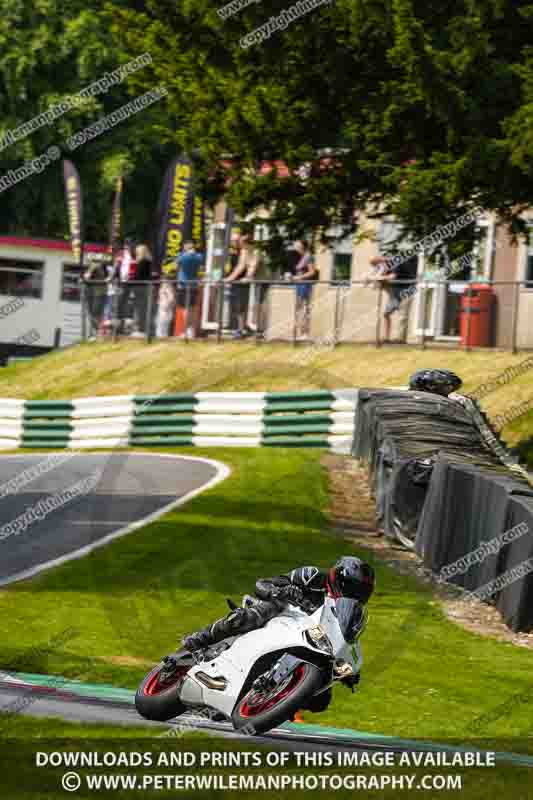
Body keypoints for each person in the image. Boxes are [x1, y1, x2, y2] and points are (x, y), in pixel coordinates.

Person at [183, 555, 375, 670]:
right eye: (352, 589)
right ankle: (200, 638)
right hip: (281, 613)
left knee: (322, 701)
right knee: (252, 615)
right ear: (339, 579)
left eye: (360, 593)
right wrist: (280, 591)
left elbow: (345, 640)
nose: (354, 596)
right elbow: (264, 583)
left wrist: (350, 670)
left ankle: (275, 698)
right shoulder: (313, 576)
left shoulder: (343, 611)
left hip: (305, 637)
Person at [224, 231, 265, 339]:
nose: (239, 244)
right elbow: (241, 266)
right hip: (252, 281)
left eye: (240, 242)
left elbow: (253, 265)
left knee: (259, 305)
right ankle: (246, 329)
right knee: (248, 305)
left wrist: (248, 277)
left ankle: (259, 330)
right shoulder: (245, 251)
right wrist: (229, 279)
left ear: (247, 244)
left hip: (262, 280)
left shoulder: (255, 251)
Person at [176, 241, 204, 339]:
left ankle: (187, 330)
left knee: (185, 309)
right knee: (192, 308)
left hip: (183, 285)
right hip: (194, 284)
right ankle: (191, 330)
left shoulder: (182, 256)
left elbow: (177, 264)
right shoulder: (199, 256)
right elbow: (201, 263)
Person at [293, 239, 318, 340]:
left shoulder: (308, 256)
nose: (295, 246)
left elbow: (312, 272)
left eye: (297, 244)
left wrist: (299, 277)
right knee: (300, 308)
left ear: (302, 246)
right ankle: (301, 333)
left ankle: (305, 333)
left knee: (303, 308)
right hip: (300, 284)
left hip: (305, 285)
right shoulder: (303, 257)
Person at [83, 254, 107, 338]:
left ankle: (100, 332)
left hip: (96, 293)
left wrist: (84, 278)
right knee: (94, 313)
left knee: (94, 313)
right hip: (95, 293)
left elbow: (87, 277)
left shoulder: (95, 267)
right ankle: (98, 332)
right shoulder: (98, 268)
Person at [132, 243, 153, 337]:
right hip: (144, 287)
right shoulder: (148, 261)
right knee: (143, 308)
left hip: (140, 288)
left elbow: (138, 276)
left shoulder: (142, 262)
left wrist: (131, 280)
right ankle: (142, 328)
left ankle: (140, 329)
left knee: (140, 309)